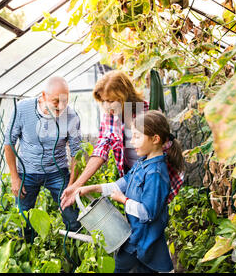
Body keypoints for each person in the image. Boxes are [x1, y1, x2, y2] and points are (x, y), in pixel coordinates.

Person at [60, 70, 184, 209]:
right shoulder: (110, 116)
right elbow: (101, 150)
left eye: (110, 101)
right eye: (103, 101)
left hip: (152, 174)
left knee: (151, 212)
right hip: (132, 175)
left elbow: (160, 149)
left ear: (124, 95)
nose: (106, 106)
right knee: (136, 214)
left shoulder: (148, 111)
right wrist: (77, 185)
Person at [77, 110, 183, 272]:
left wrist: (123, 200)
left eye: (137, 137)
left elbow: (147, 213)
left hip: (142, 241)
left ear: (155, 139)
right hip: (135, 238)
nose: (132, 142)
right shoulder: (143, 163)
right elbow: (120, 185)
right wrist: (92, 188)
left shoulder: (155, 174)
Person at [4, 76, 82, 239]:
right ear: (43, 96)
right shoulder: (23, 109)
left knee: (72, 217)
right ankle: (27, 252)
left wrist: (72, 185)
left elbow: (76, 153)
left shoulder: (71, 116)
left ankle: (74, 256)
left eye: (65, 101)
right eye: (55, 101)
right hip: (27, 172)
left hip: (57, 172)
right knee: (24, 220)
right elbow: (9, 143)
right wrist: (14, 177)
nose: (61, 106)